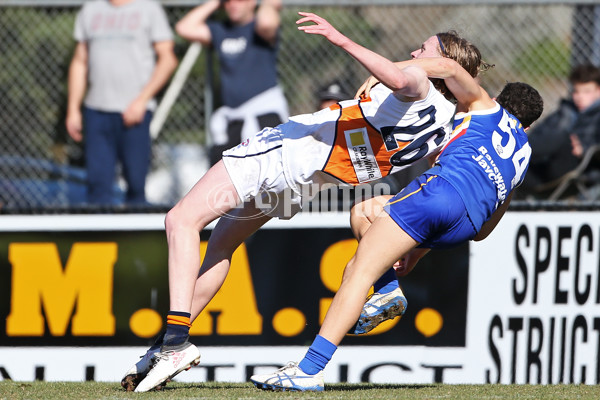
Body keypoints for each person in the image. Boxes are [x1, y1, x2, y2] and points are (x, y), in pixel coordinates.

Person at [121, 12, 486, 392]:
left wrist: (341, 39)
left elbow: (400, 77)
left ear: (444, 66)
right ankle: (165, 346)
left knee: (180, 221)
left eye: (425, 48)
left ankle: (176, 343)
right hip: (305, 183)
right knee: (221, 244)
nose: (415, 52)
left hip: (284, 155)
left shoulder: (420, 84)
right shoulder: (446, 121)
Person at [250, 12, 543, 392]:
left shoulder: (486, 108)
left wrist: (391, 67)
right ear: (530, 125)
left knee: (358, 271)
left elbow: (447, 66)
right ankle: (388, 291)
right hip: (466, 222)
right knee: (364, 211)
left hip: (440, 193)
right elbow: (485, 229)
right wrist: (418, 251)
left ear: (500, 99)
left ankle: (309, 370)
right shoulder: (522, 156)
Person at [65, 0, 177, 205]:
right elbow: (80, 61)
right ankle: (99, 236)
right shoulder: (91, 10)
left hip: (135, 113)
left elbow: (168, 59)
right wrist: (73, 109)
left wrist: (142, 100)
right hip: (96, 111)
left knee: (135, 185)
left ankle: (135, 236)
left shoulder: (149, 9)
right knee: (97, 188)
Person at [175, 0, 289, 166]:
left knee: (270, 177)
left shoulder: (258, 28)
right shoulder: (221, 30)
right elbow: (183, 28)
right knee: (221, 177)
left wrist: (268, 4)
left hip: (265, 116)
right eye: (228, 1)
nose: (233, 4)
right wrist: (215, 3)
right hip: (233, 120)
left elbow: (267, 23)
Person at [521, 63, 600, 198]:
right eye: (576, 91)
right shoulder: (566, 110)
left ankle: (519, 150)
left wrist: (584, 149)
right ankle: (519, 152)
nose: (579, 97)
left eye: (586, 91)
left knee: (563, 135)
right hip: (541, 165)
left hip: (577, 167)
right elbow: (537, 134)